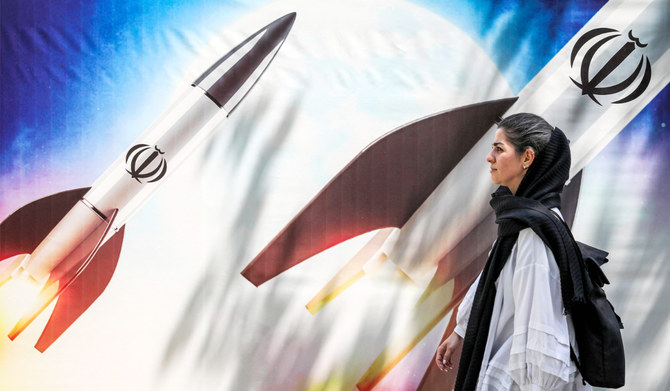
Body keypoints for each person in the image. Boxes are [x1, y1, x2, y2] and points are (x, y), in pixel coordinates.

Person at [434, 113, 592, 390]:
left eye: (499, 149)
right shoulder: (521, 220)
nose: (489, 157)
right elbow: (492, 278)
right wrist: (461, 331)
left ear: (527, 158)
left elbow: (543, 334)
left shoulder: (534, 232)